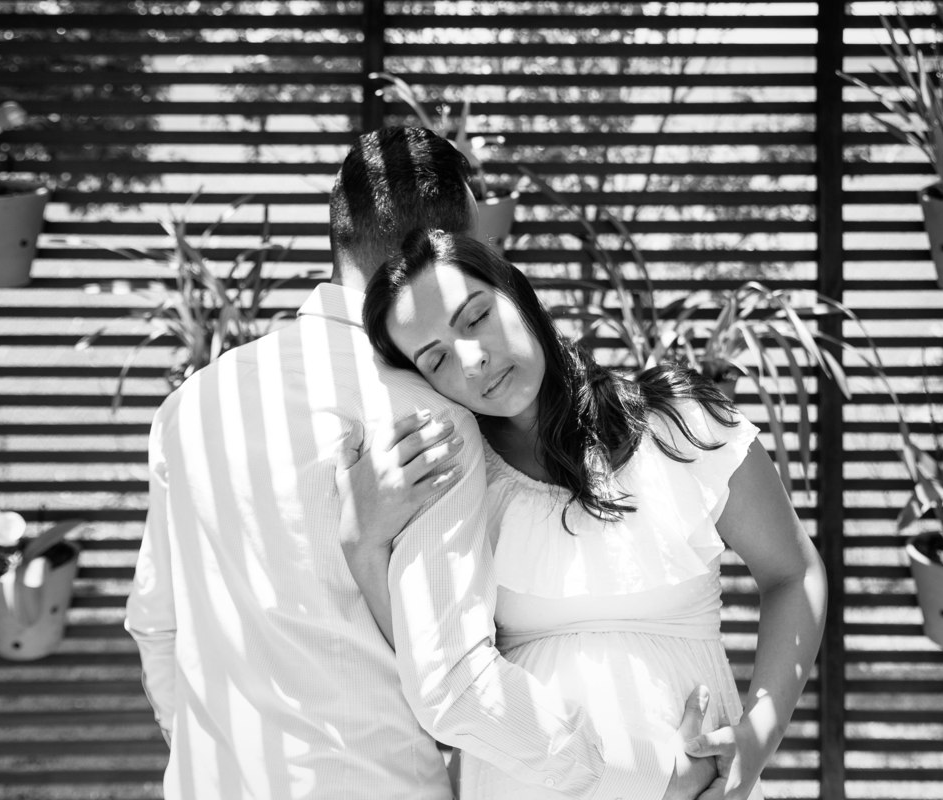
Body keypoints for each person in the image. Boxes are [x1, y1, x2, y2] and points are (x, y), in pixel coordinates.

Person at [125, 126, 715, 800]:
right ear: (440, 248)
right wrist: (649, 775)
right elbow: (454, 682)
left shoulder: (191, 406)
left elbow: (156, 627)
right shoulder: (427, 419)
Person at [353, 228, 830, 800]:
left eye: (476, 317)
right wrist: (365, 545)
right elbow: (434, 671)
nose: (472, 360)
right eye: (437, 359)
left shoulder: (681, 423)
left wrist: (756, 738)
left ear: (514, 292)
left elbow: (793, 574)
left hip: (701, 785)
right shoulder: (453, 487)